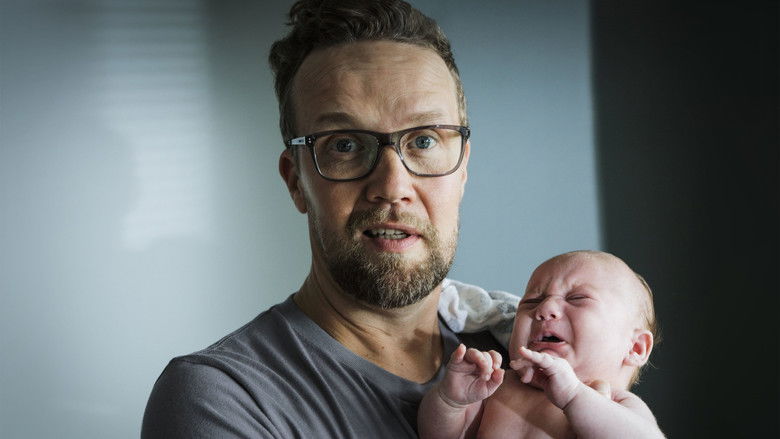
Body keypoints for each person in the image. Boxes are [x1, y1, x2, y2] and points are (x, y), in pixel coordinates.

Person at [141, 1, 507, 437]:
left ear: (463, 169)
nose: (392, 186)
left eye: (424, 140)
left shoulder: (533, 350)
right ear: (296, 181)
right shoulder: (223, 399)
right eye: (345, 145)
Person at [418, 250, 665, 438]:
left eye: (577, 299)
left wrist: (573, 396)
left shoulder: (617, 404)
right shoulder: (497, 387)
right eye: (532, 301)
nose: (544, 309)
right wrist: (451, 400)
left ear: (635, 348)